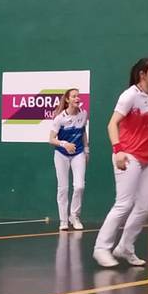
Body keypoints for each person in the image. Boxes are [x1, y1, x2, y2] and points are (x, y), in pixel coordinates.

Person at [92, 58, 148, 267]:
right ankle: (101, 249)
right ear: (142, 74)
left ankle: (125, 247)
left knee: (145, 205)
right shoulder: (129, 96)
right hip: (128, 155)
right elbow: (111, 124)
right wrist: (117, 151)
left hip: (147, 157)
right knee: (124, 204)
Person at [49, 88, 89, 231]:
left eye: (78, 96)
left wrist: (86, 150)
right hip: (61, 155)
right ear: (67, 100)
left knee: (79, 186)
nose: (77, 98)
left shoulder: (83, 114)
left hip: (78, 154)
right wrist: (64, 144)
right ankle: (63, 220)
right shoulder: (60, 118)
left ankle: (74, 216)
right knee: (63, 188)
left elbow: (83, 132)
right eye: (74, 96)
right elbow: (51, 139)